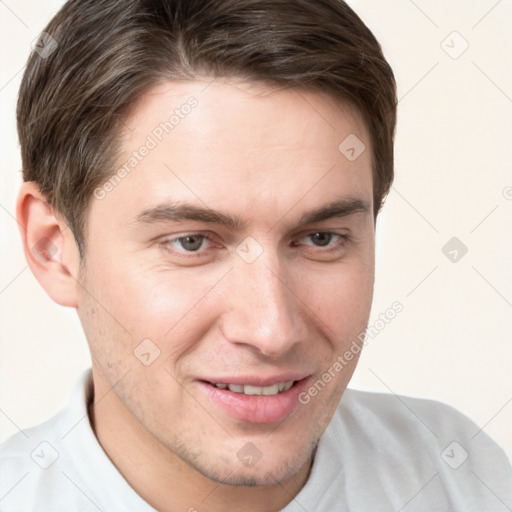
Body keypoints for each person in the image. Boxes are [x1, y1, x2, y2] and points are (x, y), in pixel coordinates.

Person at [1, 0, 511, 510]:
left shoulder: (459, 475)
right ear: (53, 248)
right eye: (191, 242)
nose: (272, 330)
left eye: (320, 238)